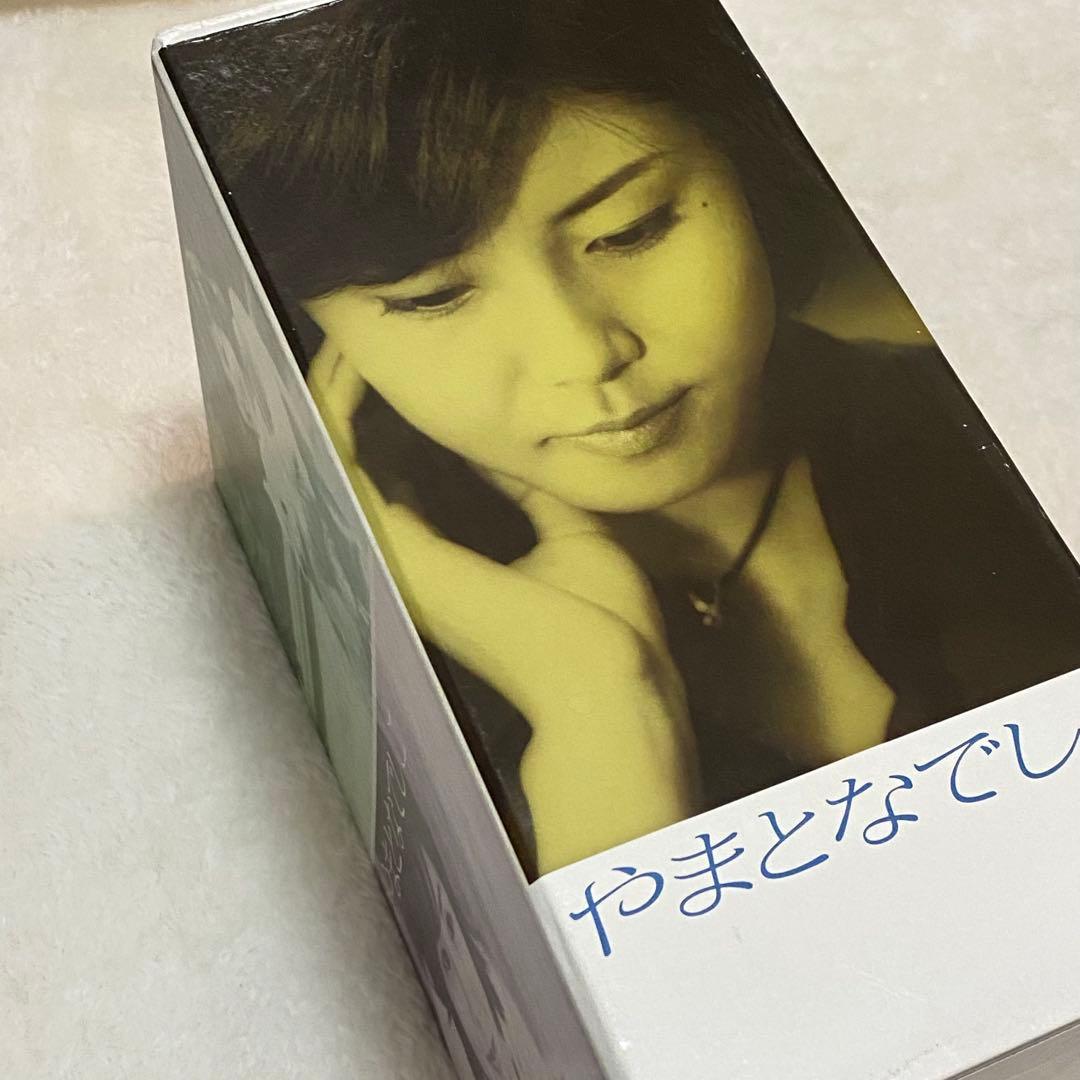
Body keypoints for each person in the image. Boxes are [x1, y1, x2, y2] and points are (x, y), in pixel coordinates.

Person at [165, 0, 1080, 878]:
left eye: (629, 230)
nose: (586, 355)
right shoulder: (310, 679)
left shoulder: (1009, 421)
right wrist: (597, 710)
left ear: (744, 174)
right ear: (319, 338)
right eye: (433, 297)